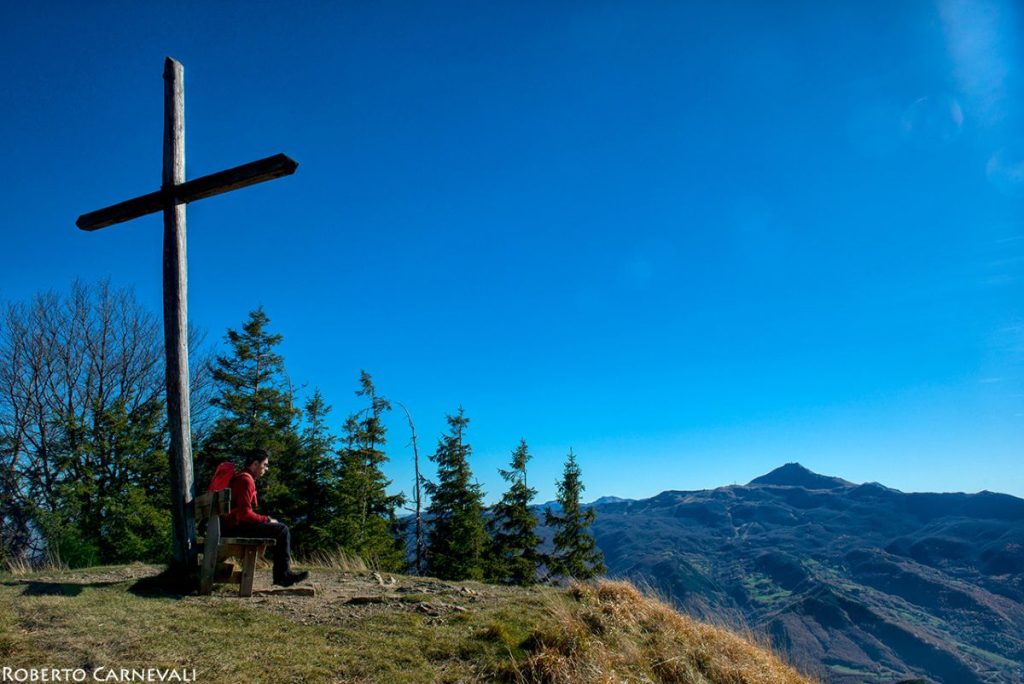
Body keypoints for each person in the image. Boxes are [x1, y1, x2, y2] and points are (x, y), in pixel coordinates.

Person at [223, 448, 309, 587]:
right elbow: (244, 514)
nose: (266, 469)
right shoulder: (245, 480)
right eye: (265, 465)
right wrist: (267, 519)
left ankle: (282, 575)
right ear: (255, 464)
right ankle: (283, 576)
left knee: (279, 529)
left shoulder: (242, 478)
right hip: (235, 528)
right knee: (282, 530)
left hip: (230, 526)